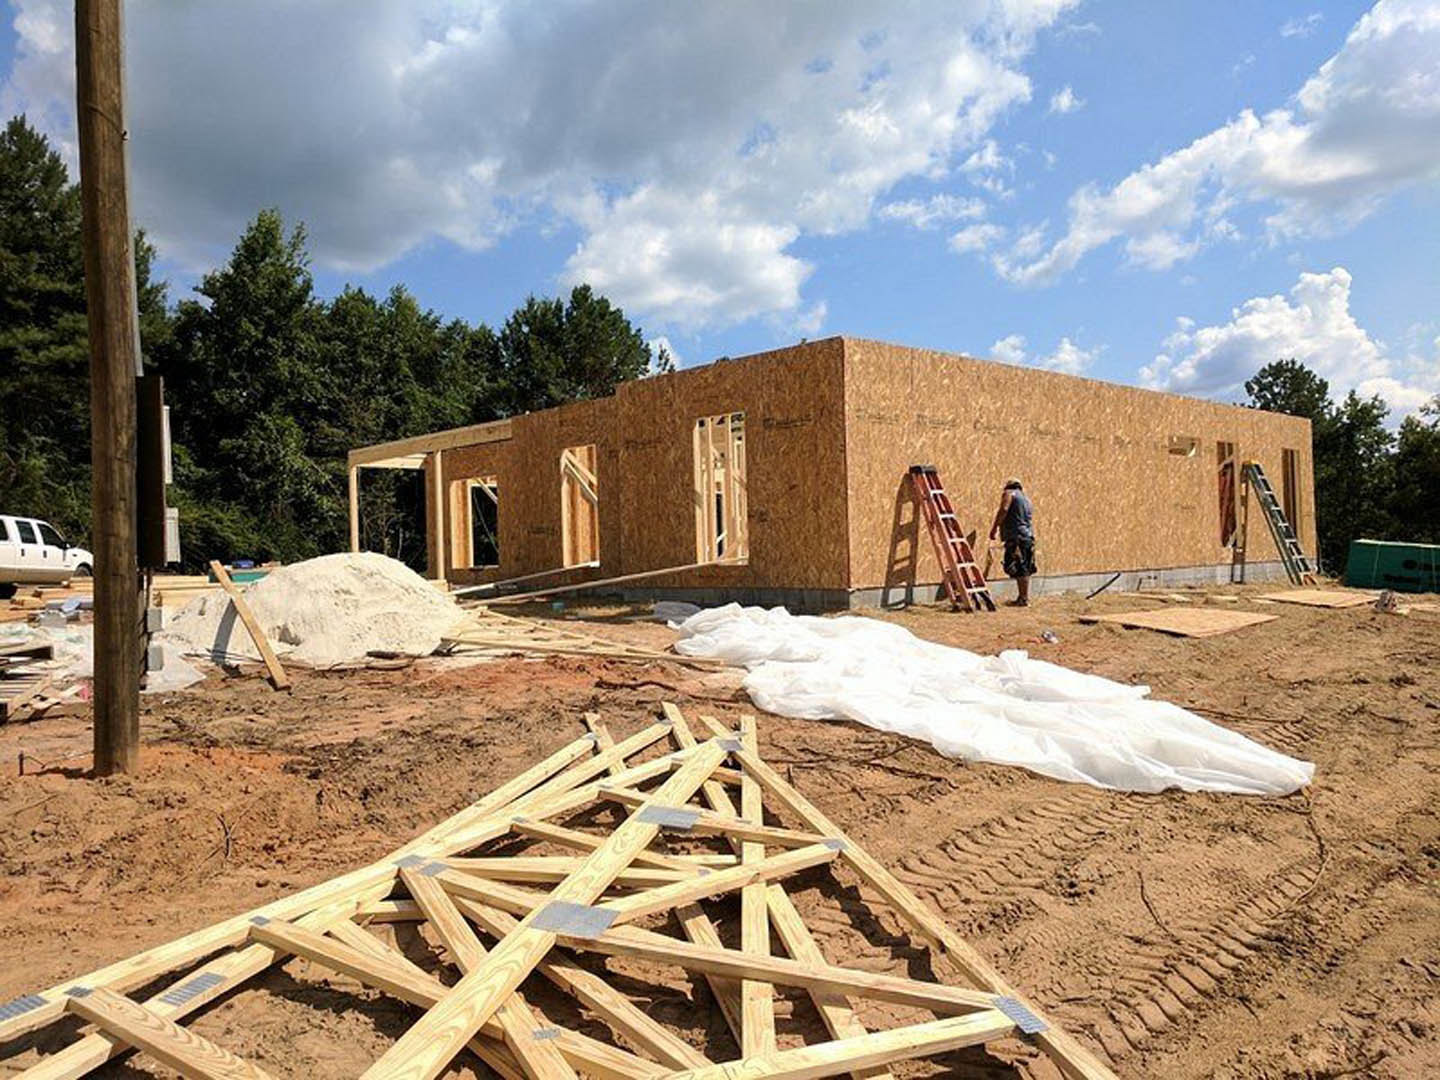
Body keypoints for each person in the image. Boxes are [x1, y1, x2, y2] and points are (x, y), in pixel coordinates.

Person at [989, 477, 1035, 606]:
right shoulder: (1026, 499)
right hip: (1027, 536)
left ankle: (1024, 599)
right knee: (1023, 566)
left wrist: (994, 528)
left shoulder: (1010, 493)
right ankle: (1023, 597)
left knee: (1018, 566)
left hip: (1017, 537)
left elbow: (1004, 509)